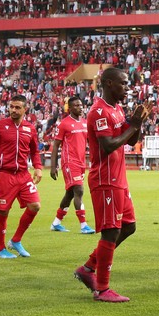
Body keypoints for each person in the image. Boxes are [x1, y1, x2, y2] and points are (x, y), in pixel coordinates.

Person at [73, 67, 151, 302]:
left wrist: (137, 123)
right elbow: (108, 145)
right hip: (105, 179)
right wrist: (133, 126)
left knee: (128, 227)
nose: (127, 87)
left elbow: (130, 140)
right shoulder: (98, 112)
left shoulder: (117, 109)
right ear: (108, 84)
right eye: (123, 84)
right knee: (111, 231)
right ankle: (102, 288)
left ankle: (87, 269)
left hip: (119, 179)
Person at [0, 95, 43, 259]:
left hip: (23, 175)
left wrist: (38, 168)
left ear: (25, 109)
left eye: (17, 107)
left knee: (35, 205)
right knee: (3, 211)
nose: (13, 110)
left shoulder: (30, 128)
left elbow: (34, 151)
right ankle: (0, 249)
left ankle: (16, 240)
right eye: (11, 107)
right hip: (4, 174)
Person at [49, 96, 95, 234]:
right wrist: (53, 166)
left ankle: (56, 223)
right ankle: (83, 225)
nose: (80, 107)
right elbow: (56, 145)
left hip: (81, 162)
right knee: (79, 190)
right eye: (76, 105)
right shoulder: (64, 124)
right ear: (70, 108)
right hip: (69, 162)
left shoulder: (85, 123)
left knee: (70, 194)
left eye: (81, 105)